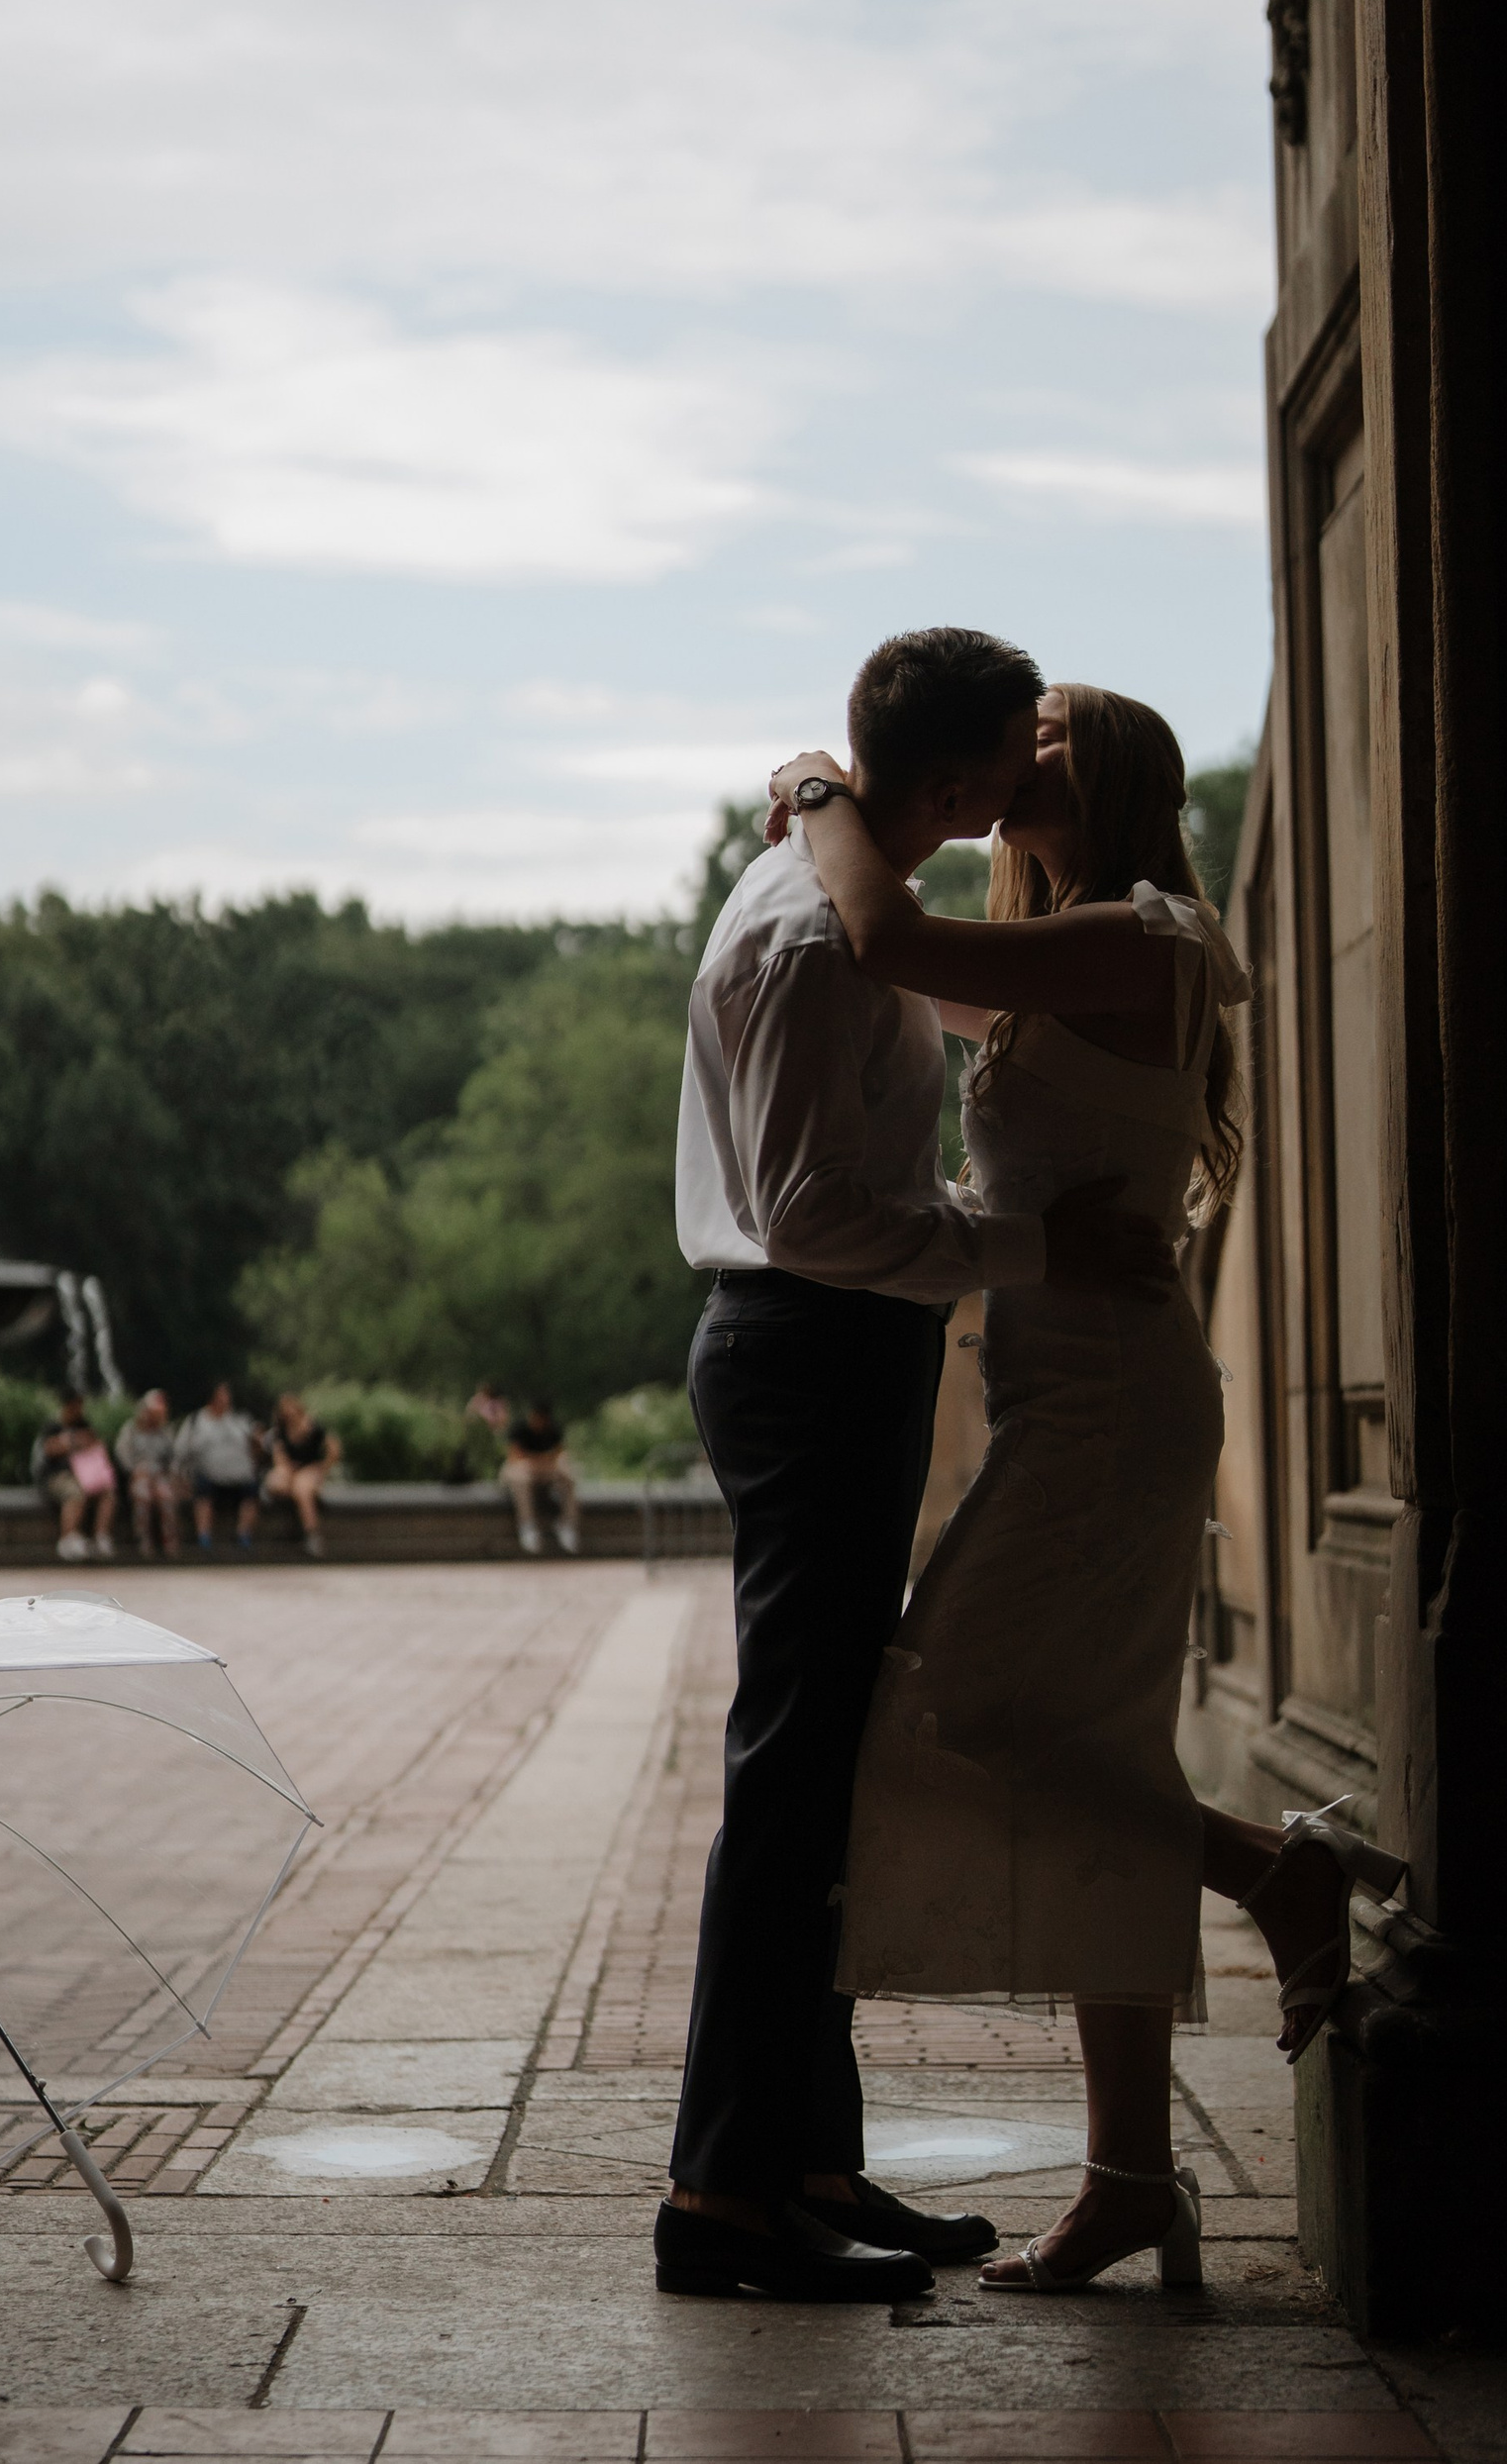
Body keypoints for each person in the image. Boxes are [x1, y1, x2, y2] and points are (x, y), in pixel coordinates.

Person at [772, 683, 1406, 2297]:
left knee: (954, 1708)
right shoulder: (1066, 964)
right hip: (1069, 1396)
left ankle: (1281, 1871)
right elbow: (908, 984)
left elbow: (883, 939)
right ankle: (1130, 2178)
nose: (1010, 760)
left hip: (1113, 1409)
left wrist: (812, 785)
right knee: (1088, 1759)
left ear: (1110, 771)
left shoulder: (1144, 932)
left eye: (1042, 739)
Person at [658, 627, 1175, 2311]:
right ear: (956, 786)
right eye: (1012, 769)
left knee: (820, 1766)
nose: (1027, 791)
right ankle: (724, 2198)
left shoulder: (843, 889)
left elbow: (925, 969)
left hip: (827, 1353)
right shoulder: (823, 927)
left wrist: (818, 789)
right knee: (797, 1767)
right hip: (810, 1351)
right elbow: (815, 1217)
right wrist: (1031, 1251)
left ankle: (800, 2162)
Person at [30, 1393, 119, 1562]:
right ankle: (68, 1538)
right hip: (55, 1476)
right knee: (75, 1492)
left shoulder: (84, 1424)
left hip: (85, 1475)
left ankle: (101, 1536)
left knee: (108, 1493)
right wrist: (73, 1442)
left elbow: (96, 1445)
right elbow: (48, 1450)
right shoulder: (52, 1426)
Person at [178, 1380, 263, 1554]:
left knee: (252, 1490)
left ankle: (244, 1535)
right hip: (209, 1475)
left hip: (239, 1476)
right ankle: (204, 1537)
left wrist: (257, 1442)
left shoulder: (240, 1420)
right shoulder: (196, 1421)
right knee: (203, 1492)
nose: (226, 1399)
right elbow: (181, 1451)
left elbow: (256, 1448)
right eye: (222, 1395)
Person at [262, 1391, 339, 1558]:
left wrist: (323, 1469)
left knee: (302, 1491)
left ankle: (312, 1534)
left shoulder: (313, 1428)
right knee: (276, 1484)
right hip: (290, 1469)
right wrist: (288, 1472)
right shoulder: (280, 1431)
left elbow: (334, 1449)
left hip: (310, 1468)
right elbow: (279, 1458)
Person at [502, 1397, 579, 1555]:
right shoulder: (520, 1429)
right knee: (520, 1480)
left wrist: (547, 1464)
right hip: (522, 1470)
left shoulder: (553, 1430)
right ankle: (527, 1526)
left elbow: (560, 1455)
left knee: (569, 1477)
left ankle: (567, 1525)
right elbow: (515, 1457)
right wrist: (542, 1461)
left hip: (545, 1470)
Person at [115, 1387, 181, 1559]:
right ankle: (143, 1539)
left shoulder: (166, 1431)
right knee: (143, 1496)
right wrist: (134, 1471)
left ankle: (169, 1539)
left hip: (160, 1475)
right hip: (139, 1474)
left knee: (166, 1496)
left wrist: (170, 1474)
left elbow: (174, 1457)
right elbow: (122, 1454)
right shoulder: (130, 1429)